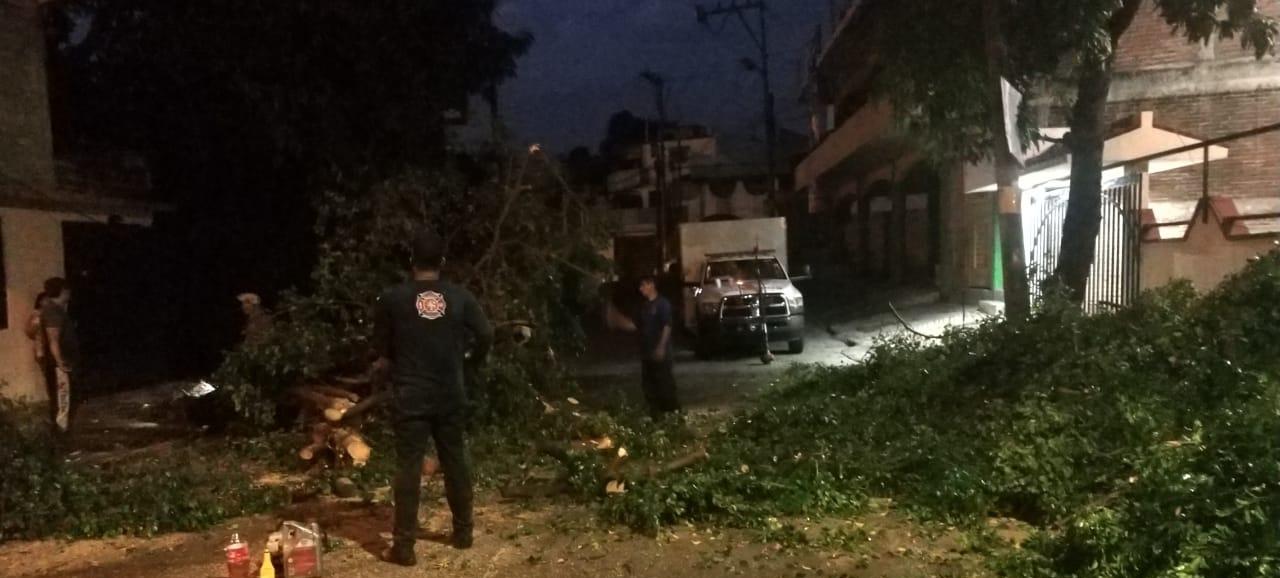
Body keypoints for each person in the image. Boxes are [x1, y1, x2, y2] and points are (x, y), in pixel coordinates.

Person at [372, 229, 493, 567]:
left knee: (409, 467)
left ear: (411, 261)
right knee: (455, 459)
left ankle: (405, 546)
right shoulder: (460, 297)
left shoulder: (392, 299)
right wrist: (471, 363)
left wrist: (386, 370)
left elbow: (381, 355)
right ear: (441, 262)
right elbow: (486, 334)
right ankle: (463, 532)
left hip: (411, 395)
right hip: (449, 393)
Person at [617, 275, 681, 419]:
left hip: (661, 352)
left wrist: (661, 347)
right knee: (649, 386)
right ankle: (656, 417)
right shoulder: (644, 306)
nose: (640, 289)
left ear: (651, 285)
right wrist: (617, 319)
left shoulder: (663, 304)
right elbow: (634, 325)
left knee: (665, 384)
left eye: (643, 286)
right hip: (646, 352)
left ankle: (673, 415)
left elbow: (667, 326)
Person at [40, 278, 79, 432]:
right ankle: (61, 435)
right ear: (63, 291)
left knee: (66, 399)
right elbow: (53, 339)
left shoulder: (56, 309)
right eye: (67, 290)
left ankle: (62, 432)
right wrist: (60, 362)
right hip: (60, 365)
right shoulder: (53, 311)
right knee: (63, 400)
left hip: (62, 362)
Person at [24, 292, 48, 365]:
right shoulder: (36, 314)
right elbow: (30, 331)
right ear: (40, 301)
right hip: (42, 349)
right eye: (46, 299)